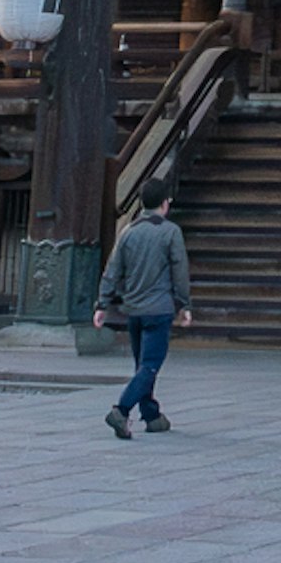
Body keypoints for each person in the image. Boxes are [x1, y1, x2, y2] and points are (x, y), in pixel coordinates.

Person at [95, 186, 191, 439]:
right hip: (159, 309)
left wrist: (102, 304)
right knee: (149, 366)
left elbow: (112, 270)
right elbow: (179, 271)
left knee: (141, 365)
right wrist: (184, 304)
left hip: (134, 309)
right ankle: (121, 410)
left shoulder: (129, 231)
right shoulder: (171, 232)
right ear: (164, 204)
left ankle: (151, 415)